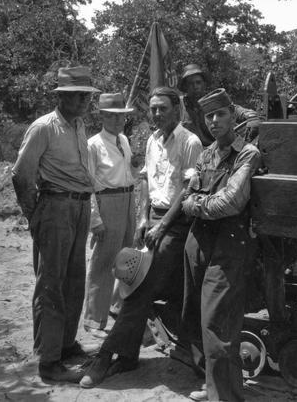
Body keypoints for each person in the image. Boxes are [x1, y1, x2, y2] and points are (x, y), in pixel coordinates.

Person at [79, 86, 203, 388]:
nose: (157, 114)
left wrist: (163, 225)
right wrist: (146, 217)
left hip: (178, 223)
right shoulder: (152, 140)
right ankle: (132, 356)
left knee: (140, 287)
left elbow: (189, 190)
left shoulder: (191, 142)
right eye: (153, 108)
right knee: (141, 283)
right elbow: (147, 178)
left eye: (163, 108)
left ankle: (106, 357)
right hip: (155, 220)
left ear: (178, 109)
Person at [11, 66, 100, 382]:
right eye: (76, 95)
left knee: (74, 280)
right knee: (51, 285)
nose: (82, 101)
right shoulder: (44, 128)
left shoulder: (77, 126)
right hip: (55, 208)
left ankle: (64, 344)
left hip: (79, 208)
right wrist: (35, 216)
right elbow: (21, 175)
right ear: (61, 96)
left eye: (86, 96)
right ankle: (49, 361)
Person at [181, 88, 261, 402]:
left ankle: (226, 396)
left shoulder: (247, 154)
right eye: (209, 117)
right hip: (198, 241)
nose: (214, 122)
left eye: (220, 115)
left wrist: (196, 203)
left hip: (230, 244)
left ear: (233, 115)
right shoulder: (205, 154)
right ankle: (210, 384)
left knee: (218, 322)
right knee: (194, 312)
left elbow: (230, 203)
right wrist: (199, 202)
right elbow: (186, 194)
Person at [83, 93, 135, 338]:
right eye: (112, 116)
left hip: (127, 199)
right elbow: (88, 185)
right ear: (102, 116)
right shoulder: (93, 144)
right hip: (108, 201)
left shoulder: (123, 140)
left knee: (126, 257)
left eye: (121, 116)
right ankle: (94, 320)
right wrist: (96, 220)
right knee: (103, 262)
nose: (118, 121)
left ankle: (115, 306)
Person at [179, 64, 261, 146]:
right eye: (190, 83)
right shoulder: (179, 105)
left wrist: (251, 117)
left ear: (204, 84)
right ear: (185, 87)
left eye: (198, 82)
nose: (195, 87)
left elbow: (235, 109)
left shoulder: (213, 101)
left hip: (218, 152)